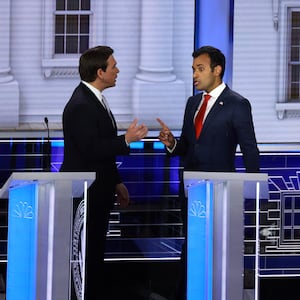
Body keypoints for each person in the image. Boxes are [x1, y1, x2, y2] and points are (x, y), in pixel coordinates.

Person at [157, 45, 260, 299]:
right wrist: (172, 143)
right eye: (193, 69)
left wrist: (252, 189)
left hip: (222, 193)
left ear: (217, 70)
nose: (194, 75)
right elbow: (188, 146)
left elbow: (250, 150)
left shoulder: (238, 104)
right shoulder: (193, 103)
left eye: (200, 69)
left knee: (218, 249)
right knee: (193, 247)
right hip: (192, 191)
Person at [60, 45, 148, 299]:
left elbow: (101, 151)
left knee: (95, 249)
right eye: (113, 66)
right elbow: (90, 149)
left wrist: (116, 182)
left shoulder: (93, 99)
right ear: (100, 72)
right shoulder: (81, 104)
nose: (118, 70)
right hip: (85, 193)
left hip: (99, 190)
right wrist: (126, 140)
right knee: (84, 253)